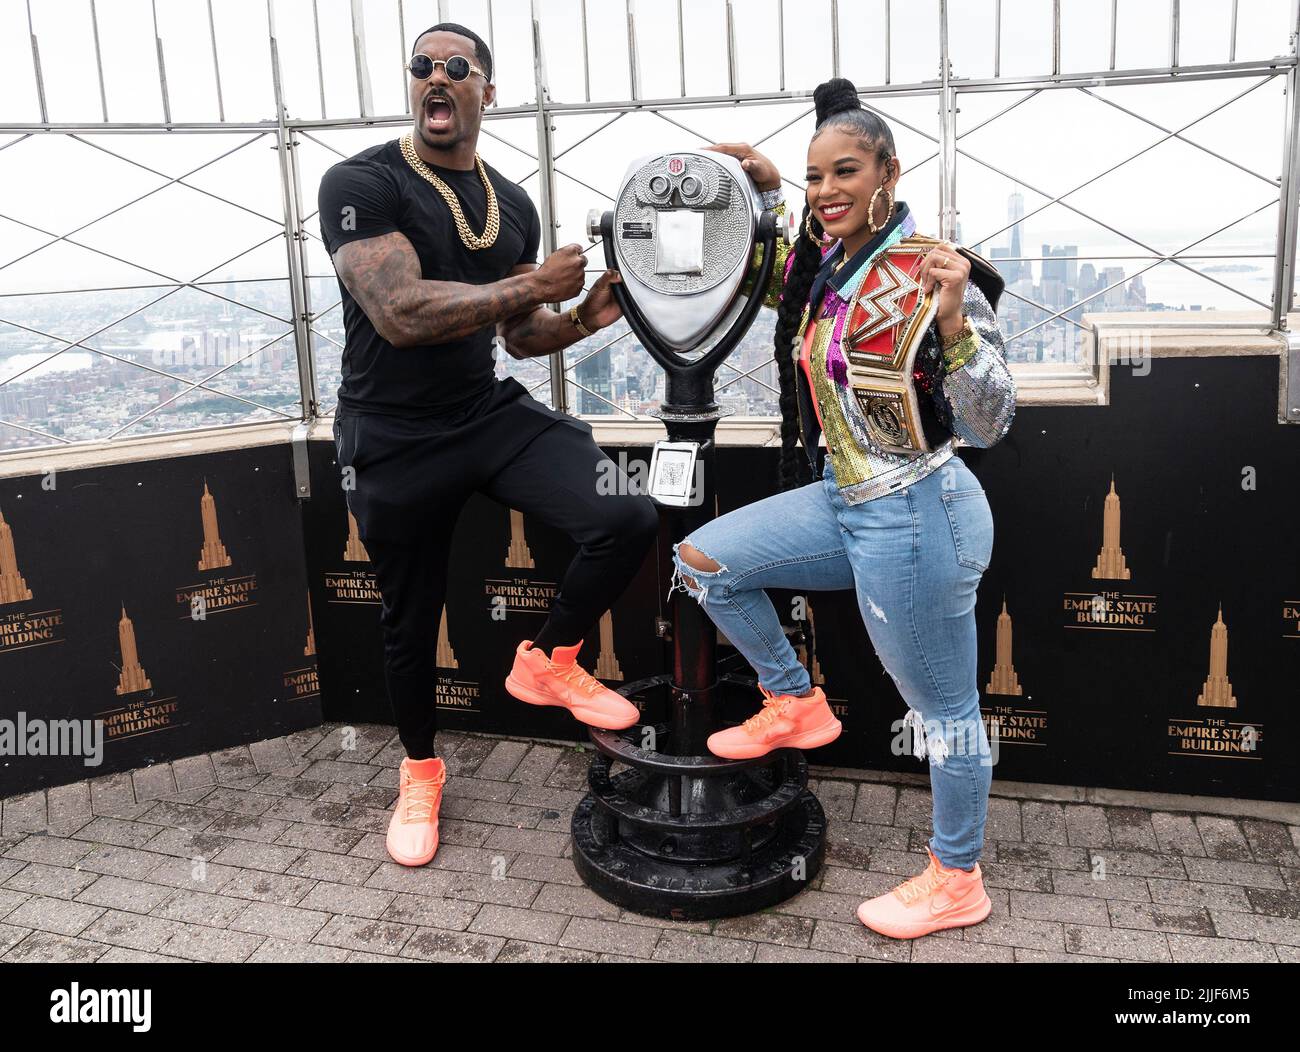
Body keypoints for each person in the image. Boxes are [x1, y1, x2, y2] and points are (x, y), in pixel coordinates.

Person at [671, 77, 1017, 938]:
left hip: (918, 511)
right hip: (847, 497)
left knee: (947, 714)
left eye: (846, 172)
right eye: (816, 176)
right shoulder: (829, 263)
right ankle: (795, 700)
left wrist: (950, 324)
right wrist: (764, 195)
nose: (828, 192)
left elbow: (991, 420)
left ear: (890, 173)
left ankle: (957, 875)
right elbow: (776, 282)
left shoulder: (934, 270)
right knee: (705, 561)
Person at [318, 23, 658, 868]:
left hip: (483, 412)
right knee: (409, 618)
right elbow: (398, 314)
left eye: (457, 67)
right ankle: (422, 770)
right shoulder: (361, 180)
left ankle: (549, 658)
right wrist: (531, 282)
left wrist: (579, 318)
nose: (436, 77)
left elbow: (517, 335)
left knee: (626, 507)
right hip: (390, 434)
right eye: (422, 66)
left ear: (486, 91)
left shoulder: (514, 203)